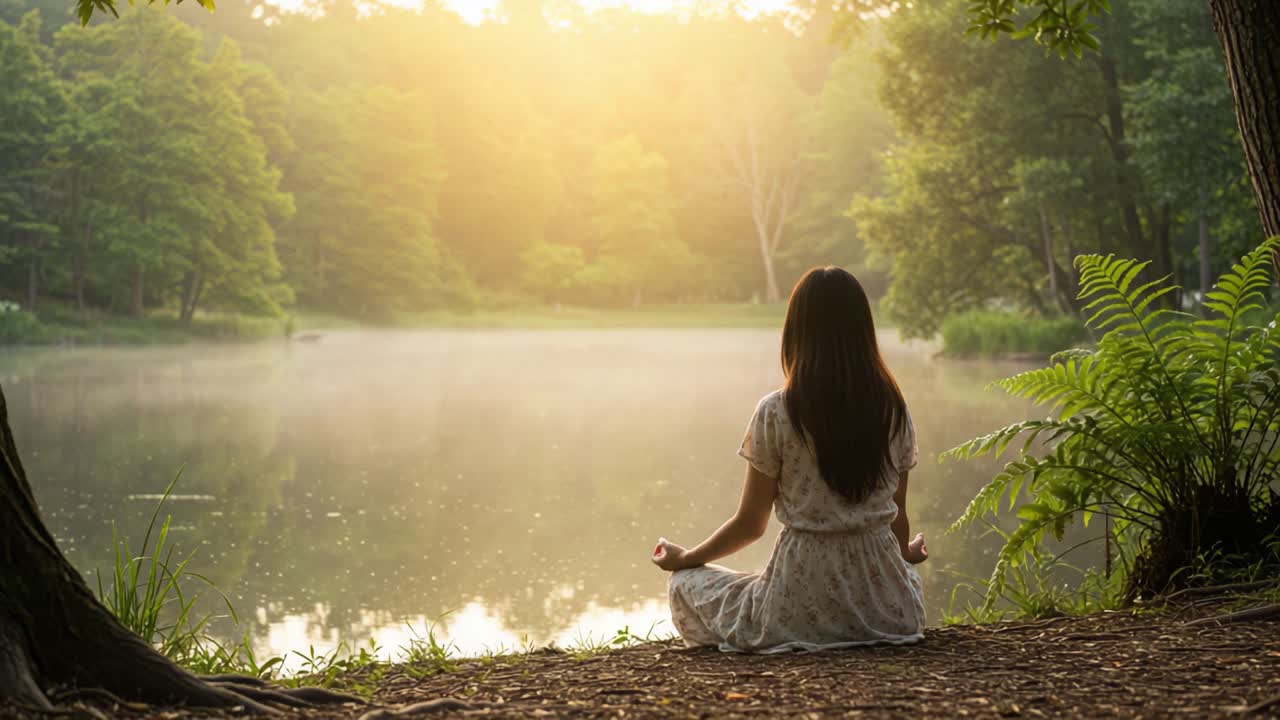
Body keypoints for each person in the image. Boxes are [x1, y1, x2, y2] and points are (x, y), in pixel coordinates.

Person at [651, 266, 928, 652]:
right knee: (906, 578)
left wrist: (687, 558)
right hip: (888, 615)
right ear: (863, 331)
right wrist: (906, 554)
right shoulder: (892, 408)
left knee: (684, 583)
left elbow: (751, 525)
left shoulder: (777, 411)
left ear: (796, 333)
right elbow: (897, 516)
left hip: (798, 605)